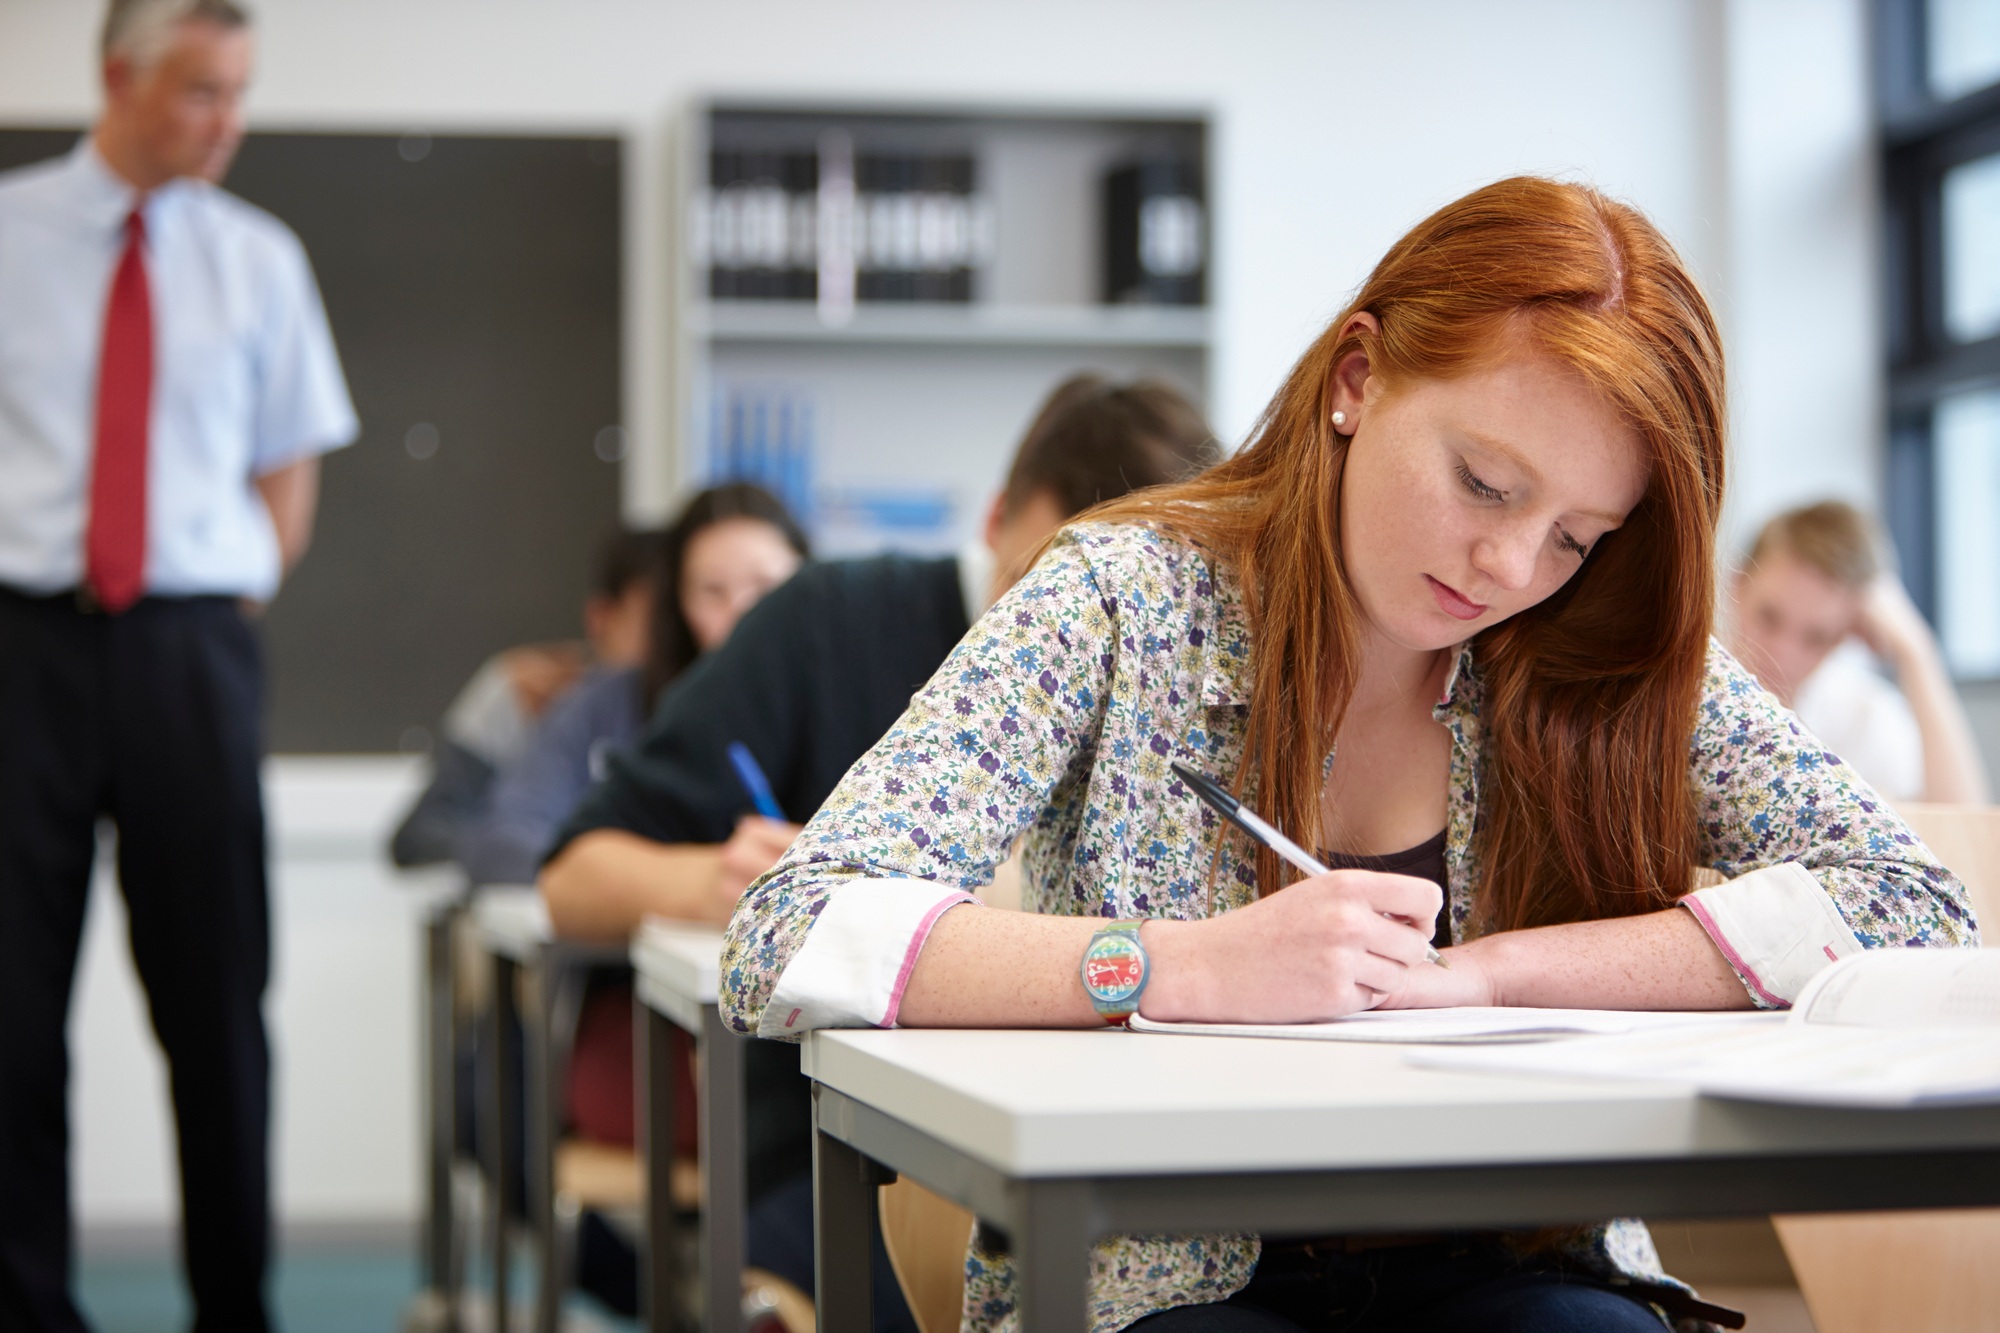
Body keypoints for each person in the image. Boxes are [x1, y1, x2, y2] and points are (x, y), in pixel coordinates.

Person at [717, 178, 1977, 1333]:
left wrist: (1487, 977)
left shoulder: (1596, 641)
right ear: (1356, 378)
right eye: (1484, 483)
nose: (1508, 570)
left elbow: (1911, 905)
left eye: (1575, 535)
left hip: (1516, 1259)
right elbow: (789, 928)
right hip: (1172, 1276)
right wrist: (1176, 966)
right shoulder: (1118, 597)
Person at [540, 374, 1222, 1325]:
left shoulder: (1195, 671)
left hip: (1113, 1166)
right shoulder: (825, 621)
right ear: (995, 519)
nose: (1080, 637)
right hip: (845, 1160)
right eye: (1056, 584)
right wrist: (719, 880)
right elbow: (570, 880)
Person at [0, 2, 358, 1329]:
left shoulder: (262, 260)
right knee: (12, 1013)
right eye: (202, 90)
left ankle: (232, 1311)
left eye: (239, 89)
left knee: (216, 1009)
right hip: (21, 647)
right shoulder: (11, 233)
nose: (228, 120)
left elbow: (287, 487)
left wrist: (213, 612)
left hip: (190, 651)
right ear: (120, 79)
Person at [457, 486, 808, 886]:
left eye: (766, 588)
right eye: (712, 591)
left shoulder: (857, 710)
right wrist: (649, 883)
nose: (742, 614)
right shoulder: (606, 706)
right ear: (677, 604)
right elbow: (507, 838)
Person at [389, 528, 660, 870]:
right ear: (601, 618)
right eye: (655, 627)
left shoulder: (699, 711)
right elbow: (421, 836)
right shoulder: (524, 691)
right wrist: (518, 849)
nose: (665, 651)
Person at [1727, 500, 1990, 805]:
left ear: (1847, 634)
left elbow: (1962, 829)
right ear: (1735, 585)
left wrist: (1917, 654)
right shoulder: (1682, 687)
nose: (1781, 652)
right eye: (1768, 617)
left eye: (1816, 637)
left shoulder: (1865, 718)